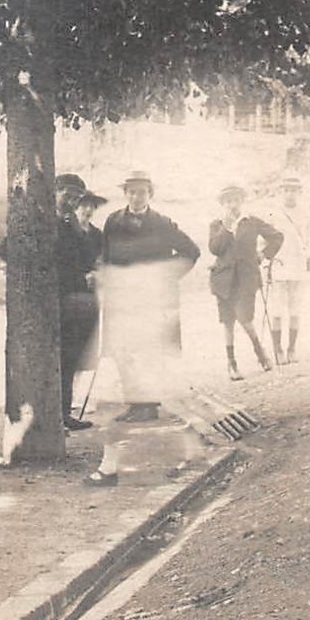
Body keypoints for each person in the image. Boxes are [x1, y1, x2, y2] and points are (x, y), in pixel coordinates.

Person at [89, 169, 201, 485]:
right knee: (125, 352)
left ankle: (149, 405)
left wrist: (167, 278)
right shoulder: (113, 221)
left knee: (151, 352)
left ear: (150, 193)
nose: (136, 197)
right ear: (126, 194)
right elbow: (107, 255)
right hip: (124, 299)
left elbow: (191, 251)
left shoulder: (162, 224)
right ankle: (137, 403)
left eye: (142, 192)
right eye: (132, 191)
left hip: (152, 303)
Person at [207, 184, 282, 380]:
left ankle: (260, 352)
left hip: (247, 279)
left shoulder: (252, 222)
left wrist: (263, 254)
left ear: (242, 201)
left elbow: (276, 237)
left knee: (245, 318)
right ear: (223, 204)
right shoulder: (217, 225)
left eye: (236, 200)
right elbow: (214, 249)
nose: (233, 205)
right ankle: (231, 363)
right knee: (228, 322)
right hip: (223, 280)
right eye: (228, 201)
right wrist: (227, 229)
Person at [55, 175, 103, 431]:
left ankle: (63, 415)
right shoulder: (46, 220)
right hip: (57, 301)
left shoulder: (71, 224)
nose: (72, 202)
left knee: (71, 358)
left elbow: (87, 259)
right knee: (60, 358)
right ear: (56, 191)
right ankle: (57, 415)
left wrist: (94, 273)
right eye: (69, 195)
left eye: (77, 198)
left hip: (76, 302)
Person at [264, 174, 310, 364]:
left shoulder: (304, 214)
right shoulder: (273, 213)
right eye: (286, 190)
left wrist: (308, 257)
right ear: (281, 191)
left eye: (293, 190)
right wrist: (266, 262)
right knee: (277, 310)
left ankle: (292, 349)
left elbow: (308, 240)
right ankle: (277, 350)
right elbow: (266, 240)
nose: (290, 194)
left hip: (298, 266)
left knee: (295, 310)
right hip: (278, 265)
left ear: (299, 192)